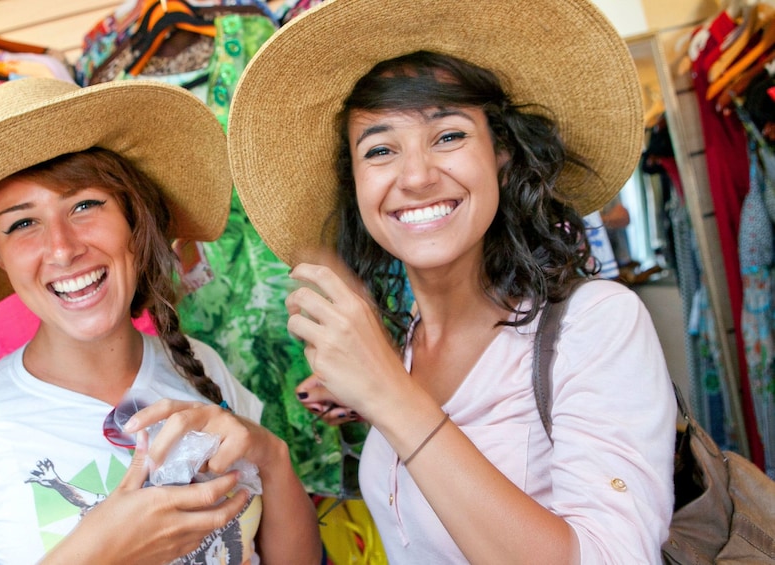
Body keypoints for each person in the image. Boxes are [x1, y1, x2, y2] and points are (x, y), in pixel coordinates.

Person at [226, 0, 677, 562]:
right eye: (381, 149)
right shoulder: (406, 341)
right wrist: (372, 386)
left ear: (503, 155)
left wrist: (389, 393)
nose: (415, 176)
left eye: (449, 136)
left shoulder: (598, 323)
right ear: (357, 185)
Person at [0, 77, 320, 564]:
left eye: (85, 205)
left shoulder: (202, 366)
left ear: (132, 217)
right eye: (22, 223)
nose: (62, 248)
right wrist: (96, 552)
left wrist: (271, 457)